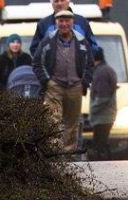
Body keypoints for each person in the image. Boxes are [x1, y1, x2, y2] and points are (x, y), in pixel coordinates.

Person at [34, 8, 94, 150]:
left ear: (72, 22)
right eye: (61, 21)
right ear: (56, 23)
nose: (64, 24)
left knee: (72, 122)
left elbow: (89, 64)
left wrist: (84, 82)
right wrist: (46, 81)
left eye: (67, 21)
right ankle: (54, 151)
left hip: (75, 86)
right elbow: (37, 62)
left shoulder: (82, 42)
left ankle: (67, 153)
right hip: (54, 86)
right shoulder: (48, 41)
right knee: (52, 119)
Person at [29, 0, 98, 57]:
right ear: (52, 4)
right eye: (56, 1)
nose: (59, 3)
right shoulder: (43, 24)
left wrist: (85, 62)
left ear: (68, 2)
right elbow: (34, 49)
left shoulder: (82, 22)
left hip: (78, 66)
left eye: (62, 0)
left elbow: (93, 46)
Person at [87, 47, 118, 160]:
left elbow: (102, 98)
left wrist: (92, 110)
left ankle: (104, 165)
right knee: (102, 143)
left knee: (99, 145)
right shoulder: (107, 69)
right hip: (107, 115)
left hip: (102, 117)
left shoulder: (101, 73)